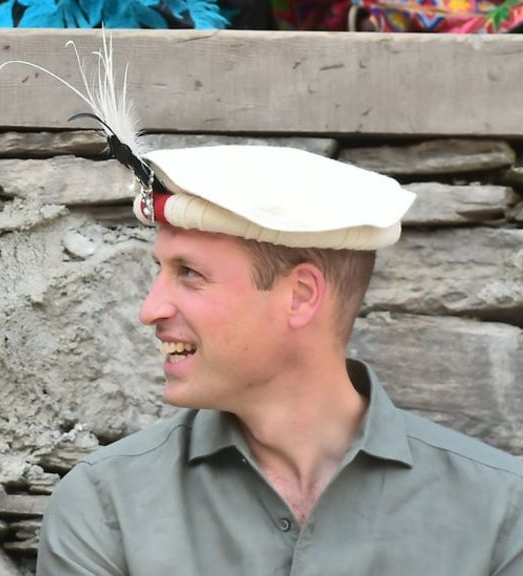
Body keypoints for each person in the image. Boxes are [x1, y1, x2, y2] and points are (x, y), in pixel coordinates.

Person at [27, 47, 523, 576]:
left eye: (189, 273)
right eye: (161, 270)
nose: (150, 309)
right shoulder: (106, 508)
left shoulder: (501, 512)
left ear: (301, 295)